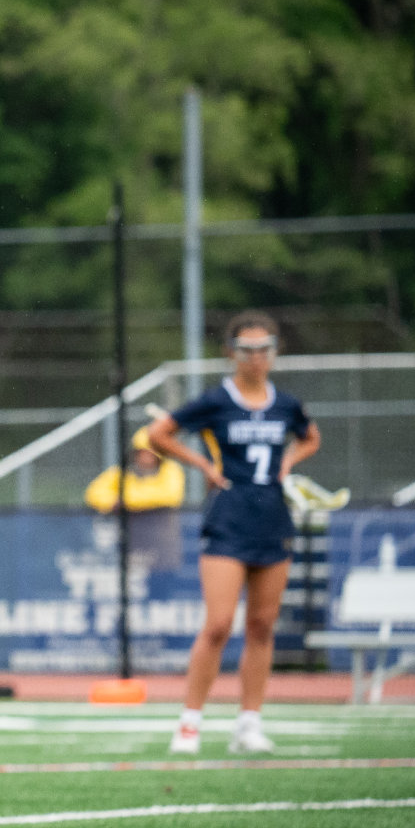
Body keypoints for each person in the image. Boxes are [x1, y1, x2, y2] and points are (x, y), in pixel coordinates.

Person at [145, 311, 320, 756]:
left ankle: (249, 722)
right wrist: (202, 464)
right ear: (231, 353)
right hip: (228, 518)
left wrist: (288, 463)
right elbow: (158, 432)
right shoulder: (215, 401)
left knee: (261, 625)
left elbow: (310, 436)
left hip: (272, 519)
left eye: (265, 349)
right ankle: (189, 724)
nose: (256, 358)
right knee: (220, 624)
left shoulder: (286, 404)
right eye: (247, 349)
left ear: (275, 352)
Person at [84, 426, 186, 572]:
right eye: (143, 452)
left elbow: (168, 495)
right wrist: (113, 502)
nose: (147, 457)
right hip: (132, 546)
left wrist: (125, 501)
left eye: (151, 453)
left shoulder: (170, 470)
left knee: (162, 585)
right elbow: (94, 493)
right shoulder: (123, 473)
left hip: (161, 549)